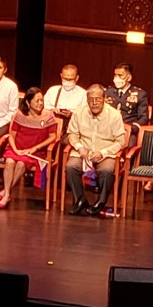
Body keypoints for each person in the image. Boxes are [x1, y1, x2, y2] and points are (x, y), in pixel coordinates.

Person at [65, 83, 126, 217]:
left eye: (97, 99)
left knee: (107, 170)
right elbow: (72, 134)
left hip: (105, 152)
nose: (94, 103)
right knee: (71, 166)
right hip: (83, 151)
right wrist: (80, 147)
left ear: (104, 99)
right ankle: (80, 199)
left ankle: (101, 202)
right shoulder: (79, 112)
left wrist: (103, 153)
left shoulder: (114, 115)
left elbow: (121, 142)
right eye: (91, 100)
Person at [0, 87, 57, 209]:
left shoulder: (48, 116)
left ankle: (6, 192)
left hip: (35, 152)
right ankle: (7, 194)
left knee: (21, 163)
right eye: (37, 101)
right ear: (28, 103)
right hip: (17, 148)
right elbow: (11, 135)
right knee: (9, 161)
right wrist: (15, 150)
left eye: (41, 100)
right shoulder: (19, 115)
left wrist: (35, 148)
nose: (40, 103)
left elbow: (53, 137)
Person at [104, 63, 149, 145]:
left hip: (128, 130)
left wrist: (133, 127)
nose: (116, 78)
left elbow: (143, 118)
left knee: (130, 145)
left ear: (129, 77)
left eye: (120, 75)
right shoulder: (108, 92)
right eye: (115, 75)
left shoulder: (140, 94)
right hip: (108, 129)